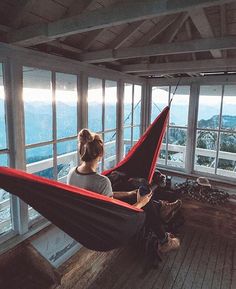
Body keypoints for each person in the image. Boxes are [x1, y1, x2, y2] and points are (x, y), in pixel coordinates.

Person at [67, 129, 180, 253]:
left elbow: (102, 197)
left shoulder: (72, 173)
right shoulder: (101, 181)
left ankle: (162, 208)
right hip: (108, 229)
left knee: (133, 192)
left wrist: (129, 193)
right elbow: (112, 215)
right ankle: (164, 240)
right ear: (100, 155)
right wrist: (141, 203)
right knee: (145, 202)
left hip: (88, 224)